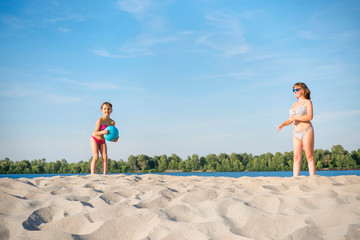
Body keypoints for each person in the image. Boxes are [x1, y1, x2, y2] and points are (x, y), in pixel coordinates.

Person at [277, 82, 315, 176]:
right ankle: (295, 178)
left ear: (302, 90)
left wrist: (296, 117)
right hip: (296, 133)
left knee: (309, 156)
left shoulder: (307, 102)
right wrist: (282, 124)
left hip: (307, 130)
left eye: (296, 90)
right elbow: (290, 119)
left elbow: (310, 117)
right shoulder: (294, 104)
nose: (295, 92)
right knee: (296, 158)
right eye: (293, 90)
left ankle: (313, 178)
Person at [90, 102, 118, 174]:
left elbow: (110, 137)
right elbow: (95, 132)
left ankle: (105, 174)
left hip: (102, 141)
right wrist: (103, 132)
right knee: (96, 157)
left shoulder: (112, 122)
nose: (106, 110)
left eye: (108, 109)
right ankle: (92, 174)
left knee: (105, 157)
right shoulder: (99, 121)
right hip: (94, 139)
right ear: (101, 110)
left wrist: (115, 140)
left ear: (111, 110)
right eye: (104, 109)